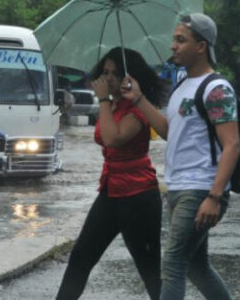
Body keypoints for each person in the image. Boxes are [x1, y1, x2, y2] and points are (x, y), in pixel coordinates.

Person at [121, 13, 239, 300]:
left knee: (172, 263)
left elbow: (232, 145)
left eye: (180, 40)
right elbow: (169, 132)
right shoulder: (182, 85)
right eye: (174, 39)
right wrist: (138, 98)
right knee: (196, 267)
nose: (172, 46)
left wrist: (214, 196)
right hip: (177, 187)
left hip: (200, 189)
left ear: (201, 46)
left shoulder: (216, 89)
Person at [57, 47, 168, 300]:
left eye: (114, 74)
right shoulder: (115, 105)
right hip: (110, 192)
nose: (107, 78)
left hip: (139, 197)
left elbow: (112, 138)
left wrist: (104, 100)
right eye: (104, 72)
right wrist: (108, 102)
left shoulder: (136, 109)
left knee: (150, 273)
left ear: (129, 78)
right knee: (80, 259)